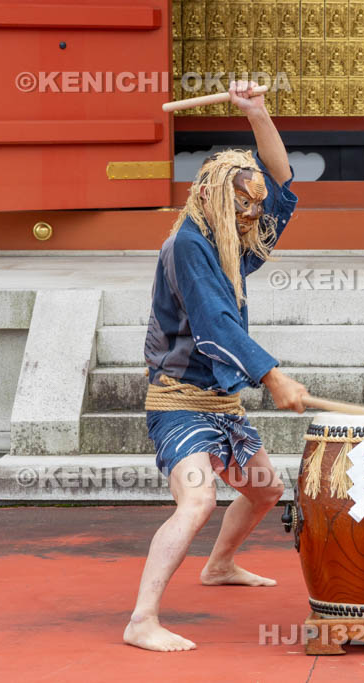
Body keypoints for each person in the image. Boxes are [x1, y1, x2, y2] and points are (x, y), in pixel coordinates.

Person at [124, 81, 309, 652]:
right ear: (210, 196)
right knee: (200, 499)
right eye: (244, 207)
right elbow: (213, 328)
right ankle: (142, 620)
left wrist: (258, 113)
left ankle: (220, 565)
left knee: (263, 491)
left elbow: (281, 188)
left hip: (220, 403)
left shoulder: (229, 233)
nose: (255, 216)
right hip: (179, 401)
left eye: (255, 209)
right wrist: (273, 376)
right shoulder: (189, 243)